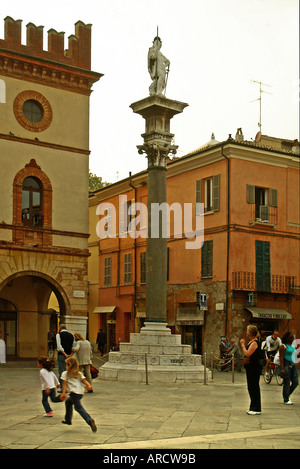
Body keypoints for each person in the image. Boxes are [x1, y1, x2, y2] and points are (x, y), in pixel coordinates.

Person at [60, 357, 97, 432]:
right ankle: (68, 420)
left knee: (78, 408)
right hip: (80, 393)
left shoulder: (65, 374)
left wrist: (63, 393)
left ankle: (89, 420)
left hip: (74, 393)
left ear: (68, 366)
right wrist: (89, 385)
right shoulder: (79, 373)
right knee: (68, 402)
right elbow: (84, 381)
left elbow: (64, 384)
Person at [240, 325, 262, 415]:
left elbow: (248, 353)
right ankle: (253, 406)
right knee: (251, 387)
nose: (246, 332)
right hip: (250, 367)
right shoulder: (252, 342)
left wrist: (242, 345)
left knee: (254, 387)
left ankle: (256, 408)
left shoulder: (254, 343)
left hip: (254, 367)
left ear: (250, 333)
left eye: (247, 331)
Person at [279, 332, 299, 405]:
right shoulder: (283, 346)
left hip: (292, 365)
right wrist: (282, 368)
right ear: (287, 338)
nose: (292, 339)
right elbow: (281, 357)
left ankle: (287, 394)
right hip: (286, 364)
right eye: (290, 337)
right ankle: (286, 399)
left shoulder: (293, 346)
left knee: (295, 382)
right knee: (287, 382)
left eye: (293, 337)